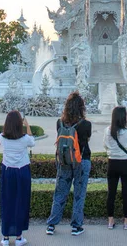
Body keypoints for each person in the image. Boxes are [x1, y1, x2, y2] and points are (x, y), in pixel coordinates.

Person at [46, 91, 92, 236]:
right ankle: (76, 226)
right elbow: (86, 141)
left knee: (60, 193)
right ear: (81, 107)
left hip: (64, 161)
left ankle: (51, 225)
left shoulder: (59, 122)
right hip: (81, 161)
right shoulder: (86, 124)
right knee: (79, 194)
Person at [0, 110, 35, 246]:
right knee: (21, 202)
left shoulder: (2, 137)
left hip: (8, 171)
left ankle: (6, 237)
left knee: (7, 201)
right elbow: (33, 142)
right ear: (20, 123)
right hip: (22, 171)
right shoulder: (24, 138)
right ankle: (19, 237)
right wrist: (28, 126)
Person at [103, 106, 127, 230]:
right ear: (122, 117)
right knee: (126, 194)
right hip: (126, 164)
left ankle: (110, 220)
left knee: (111, 193)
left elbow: (105, 146)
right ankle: (126, 221)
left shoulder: (107, 131)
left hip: (112, 163)